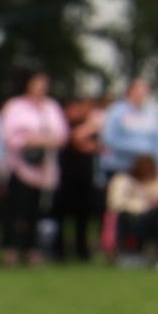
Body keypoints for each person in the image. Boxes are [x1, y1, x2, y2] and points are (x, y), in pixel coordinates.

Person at [0, 70, 65, 266]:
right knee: (15, 209)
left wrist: (43, 140)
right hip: (19, 166)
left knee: (37, 210)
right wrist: (28, 139)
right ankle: (10, 249)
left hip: (43, 168)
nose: (41, 87)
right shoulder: (15, 106)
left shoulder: (51, 107)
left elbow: (61, 134)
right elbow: (8, 134)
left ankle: (32, 249)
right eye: (37, 82)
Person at [108, 155, 158, 269]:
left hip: (155, 220)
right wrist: (144, 204)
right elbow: (115, 203)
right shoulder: (123, 180)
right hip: (134, 219)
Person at [54, 95, 106, 263]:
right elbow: (77, 140)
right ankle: (59, 250)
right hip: (65, 178)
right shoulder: (63, 127)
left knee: (83, 216)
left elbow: (99, 147)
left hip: (85, 178)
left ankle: (82, 250)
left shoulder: (91, 129)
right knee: (61, 216)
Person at [101, 76, 158, 185]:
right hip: (120, 167)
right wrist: (141, 150)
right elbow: (108, 139)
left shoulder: (154, 113)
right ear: (130, 91)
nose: (142, 93)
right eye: (139, 90)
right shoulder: (116, 111)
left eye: (145, 90)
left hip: (146, 170)